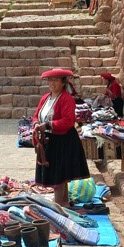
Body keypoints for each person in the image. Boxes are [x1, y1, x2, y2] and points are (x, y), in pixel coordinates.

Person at [33, 68, 90, 206]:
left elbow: (68, 121)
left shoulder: (66, 99)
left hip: (63, 141)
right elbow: (36, 115)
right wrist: (35, 123)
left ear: (63, 82)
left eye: (56, 80)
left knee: (59, 176)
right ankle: (63, 203)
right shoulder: (46, 98)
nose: (52, 83)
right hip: (50, 141)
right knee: (59, 176)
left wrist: (46, 125)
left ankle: (59, 204)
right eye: (50, 80)